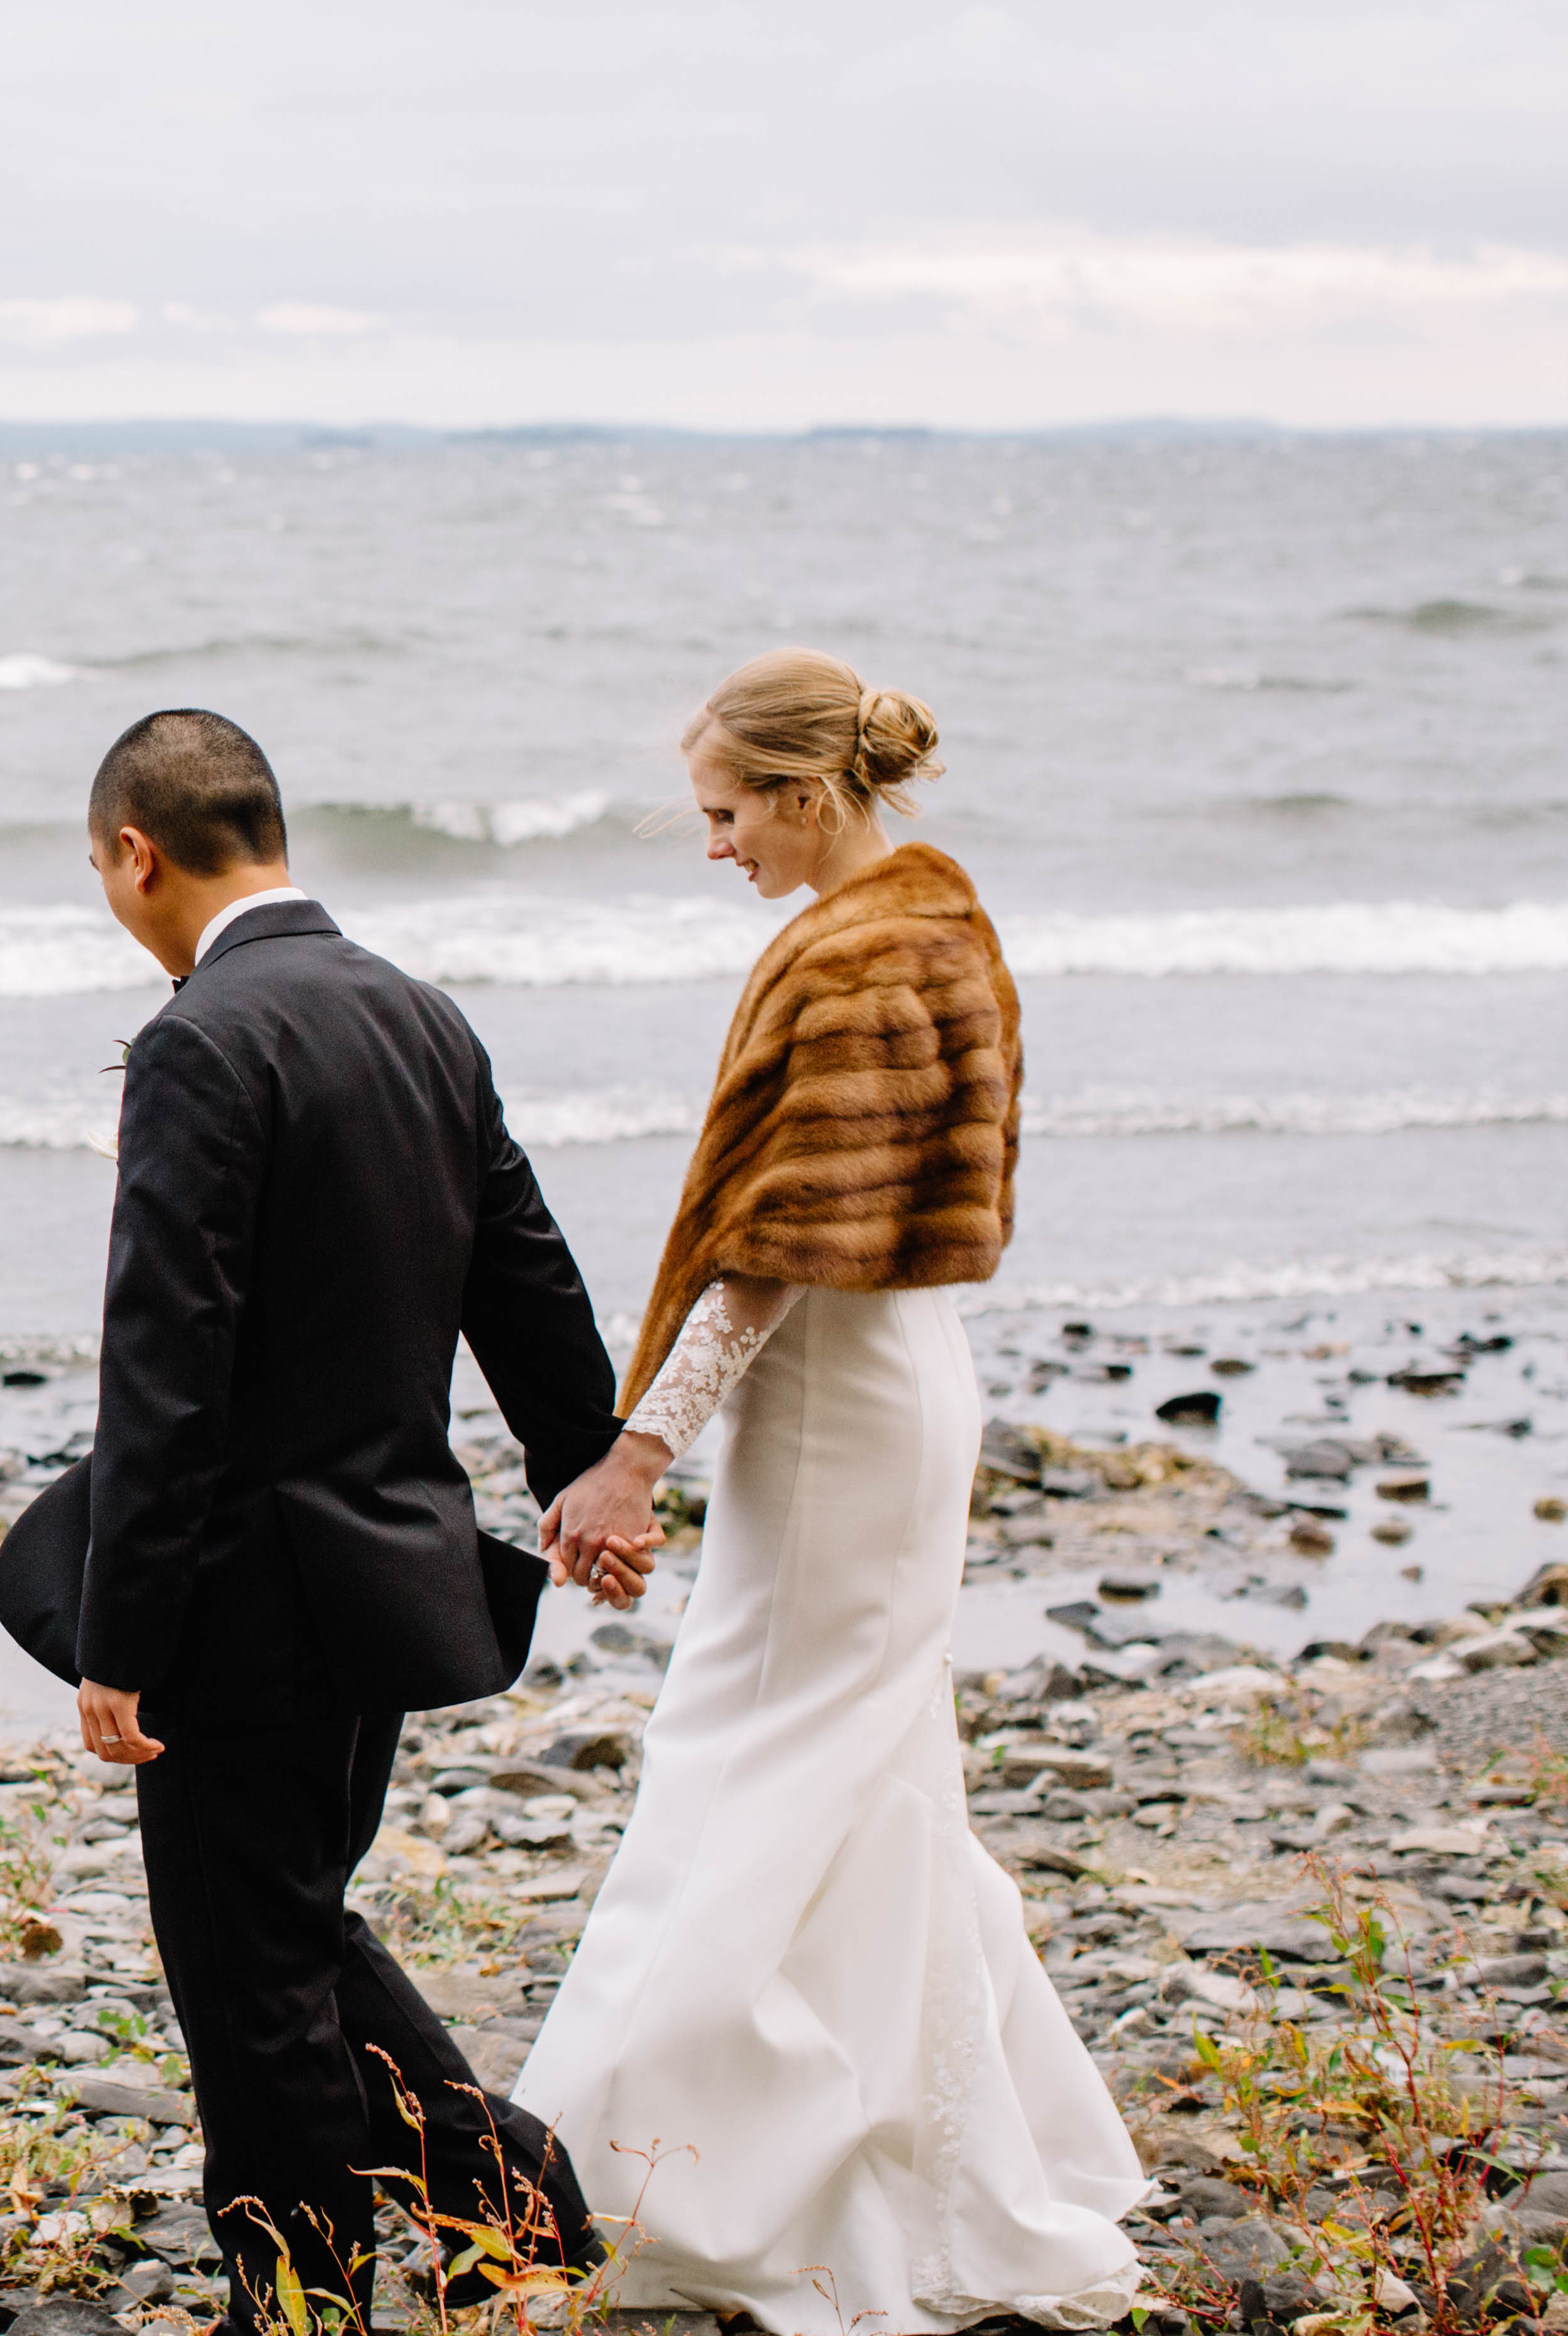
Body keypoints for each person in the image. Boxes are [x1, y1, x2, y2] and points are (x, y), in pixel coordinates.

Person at [517, 649, 1146, 2330]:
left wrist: (636, 1450)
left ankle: (653, 2151)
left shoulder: (858, 956)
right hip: (909, 1381)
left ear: (808, 789)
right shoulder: (945, 925)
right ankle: (920, 2160)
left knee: (750, 1743)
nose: (715, 842)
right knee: (871, 1772)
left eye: (728, 811)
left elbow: (773, 1257)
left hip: (840, 1408)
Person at [0, 707, 635, 2332]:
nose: (110, 898)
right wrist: (582, 1460)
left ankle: (299, 2301)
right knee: (287, 1927)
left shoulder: (207, 1037)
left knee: (246, 1975)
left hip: (238, 1592)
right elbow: (526, 1269)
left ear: (137, 851)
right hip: (385, 1571)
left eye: (100, 870)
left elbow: (166, 1366)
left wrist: (120, 1638)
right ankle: (511, 2209)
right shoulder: (419, 1017)